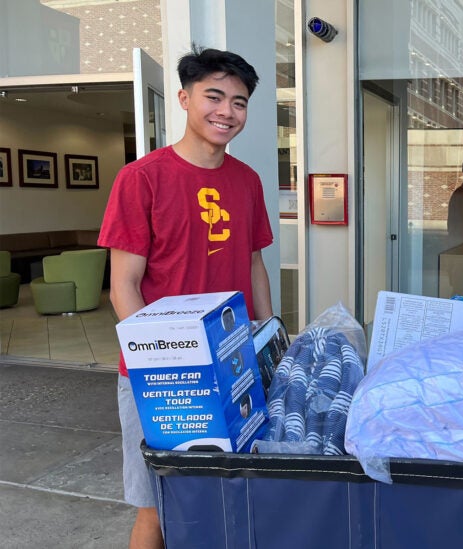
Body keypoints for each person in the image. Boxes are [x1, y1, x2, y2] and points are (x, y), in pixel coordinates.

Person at [98, 47, 274, 549]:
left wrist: (269, 337)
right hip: (161, 376)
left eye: (239, 102)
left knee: (231, 495)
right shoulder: (142, 178)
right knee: (156, 507)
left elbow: (254, 263)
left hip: (235, 365)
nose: (227, 111)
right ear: (184, 98)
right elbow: (123, 286)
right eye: (213, 96)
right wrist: (161, 362)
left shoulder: (247, 181)